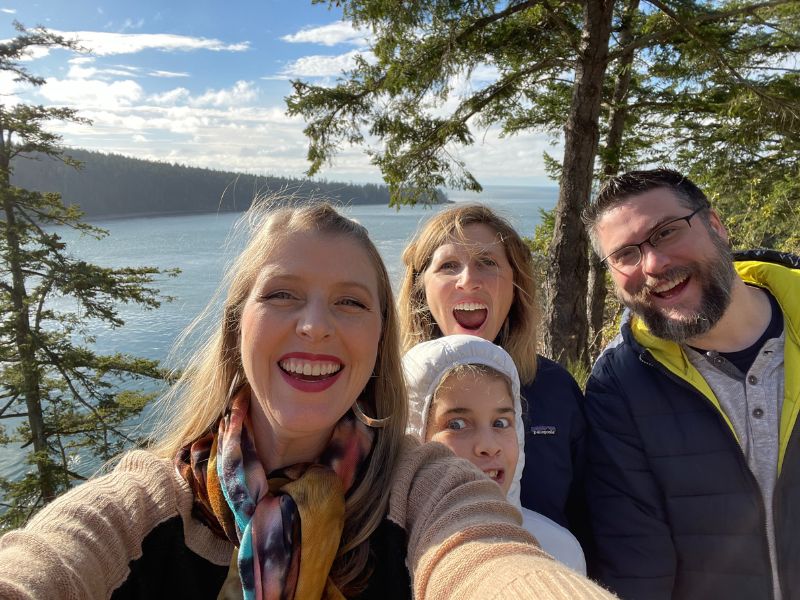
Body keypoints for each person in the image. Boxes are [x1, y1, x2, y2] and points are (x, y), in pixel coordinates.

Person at [0, 201, 615, 600]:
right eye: (283, 295)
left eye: (350, 302)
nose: (315, 326)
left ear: (380, 339)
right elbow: (50, 559)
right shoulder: (155, 502)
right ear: (236, 327)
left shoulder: (423, 484)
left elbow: (488, 557)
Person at [581, 168, 800, 600]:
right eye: (625, 254)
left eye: (665, 233)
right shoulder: (621, 384)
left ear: (715, 224)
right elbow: (638, 567)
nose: (653, 265)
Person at [399, 204, 588, 538]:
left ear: (516, 286)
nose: (469, 280)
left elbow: (589, 514)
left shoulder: (555, 389)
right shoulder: (387, 396)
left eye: (487, 263)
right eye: (448, 266)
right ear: (421, 289)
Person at [403, 334, 587, 574]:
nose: (489, 445)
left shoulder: (559, 554)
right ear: (414, 434)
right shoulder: (379, 566)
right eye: (457, 424)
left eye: (500, 423)